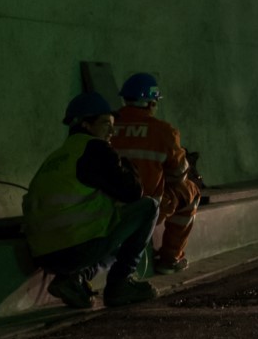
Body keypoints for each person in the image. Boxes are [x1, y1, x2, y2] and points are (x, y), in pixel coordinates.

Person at [23, 92, 158, 309]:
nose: (112, 131)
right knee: (149, 207)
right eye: (106, 124)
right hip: (75, 249)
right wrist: (126, 164)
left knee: (114, 225)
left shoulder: (57, 156)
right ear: (86, 124)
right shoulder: (95, 149)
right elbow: (133, 193)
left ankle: (73, 279)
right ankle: (120, 284)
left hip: (44, 256)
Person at [111, 72, 201, 273]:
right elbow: (179, 174)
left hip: (106, 210)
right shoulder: (162, 131)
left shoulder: (107, 125)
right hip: (146, 210)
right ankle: (170, 258)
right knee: (191, 191)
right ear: (151, 102)